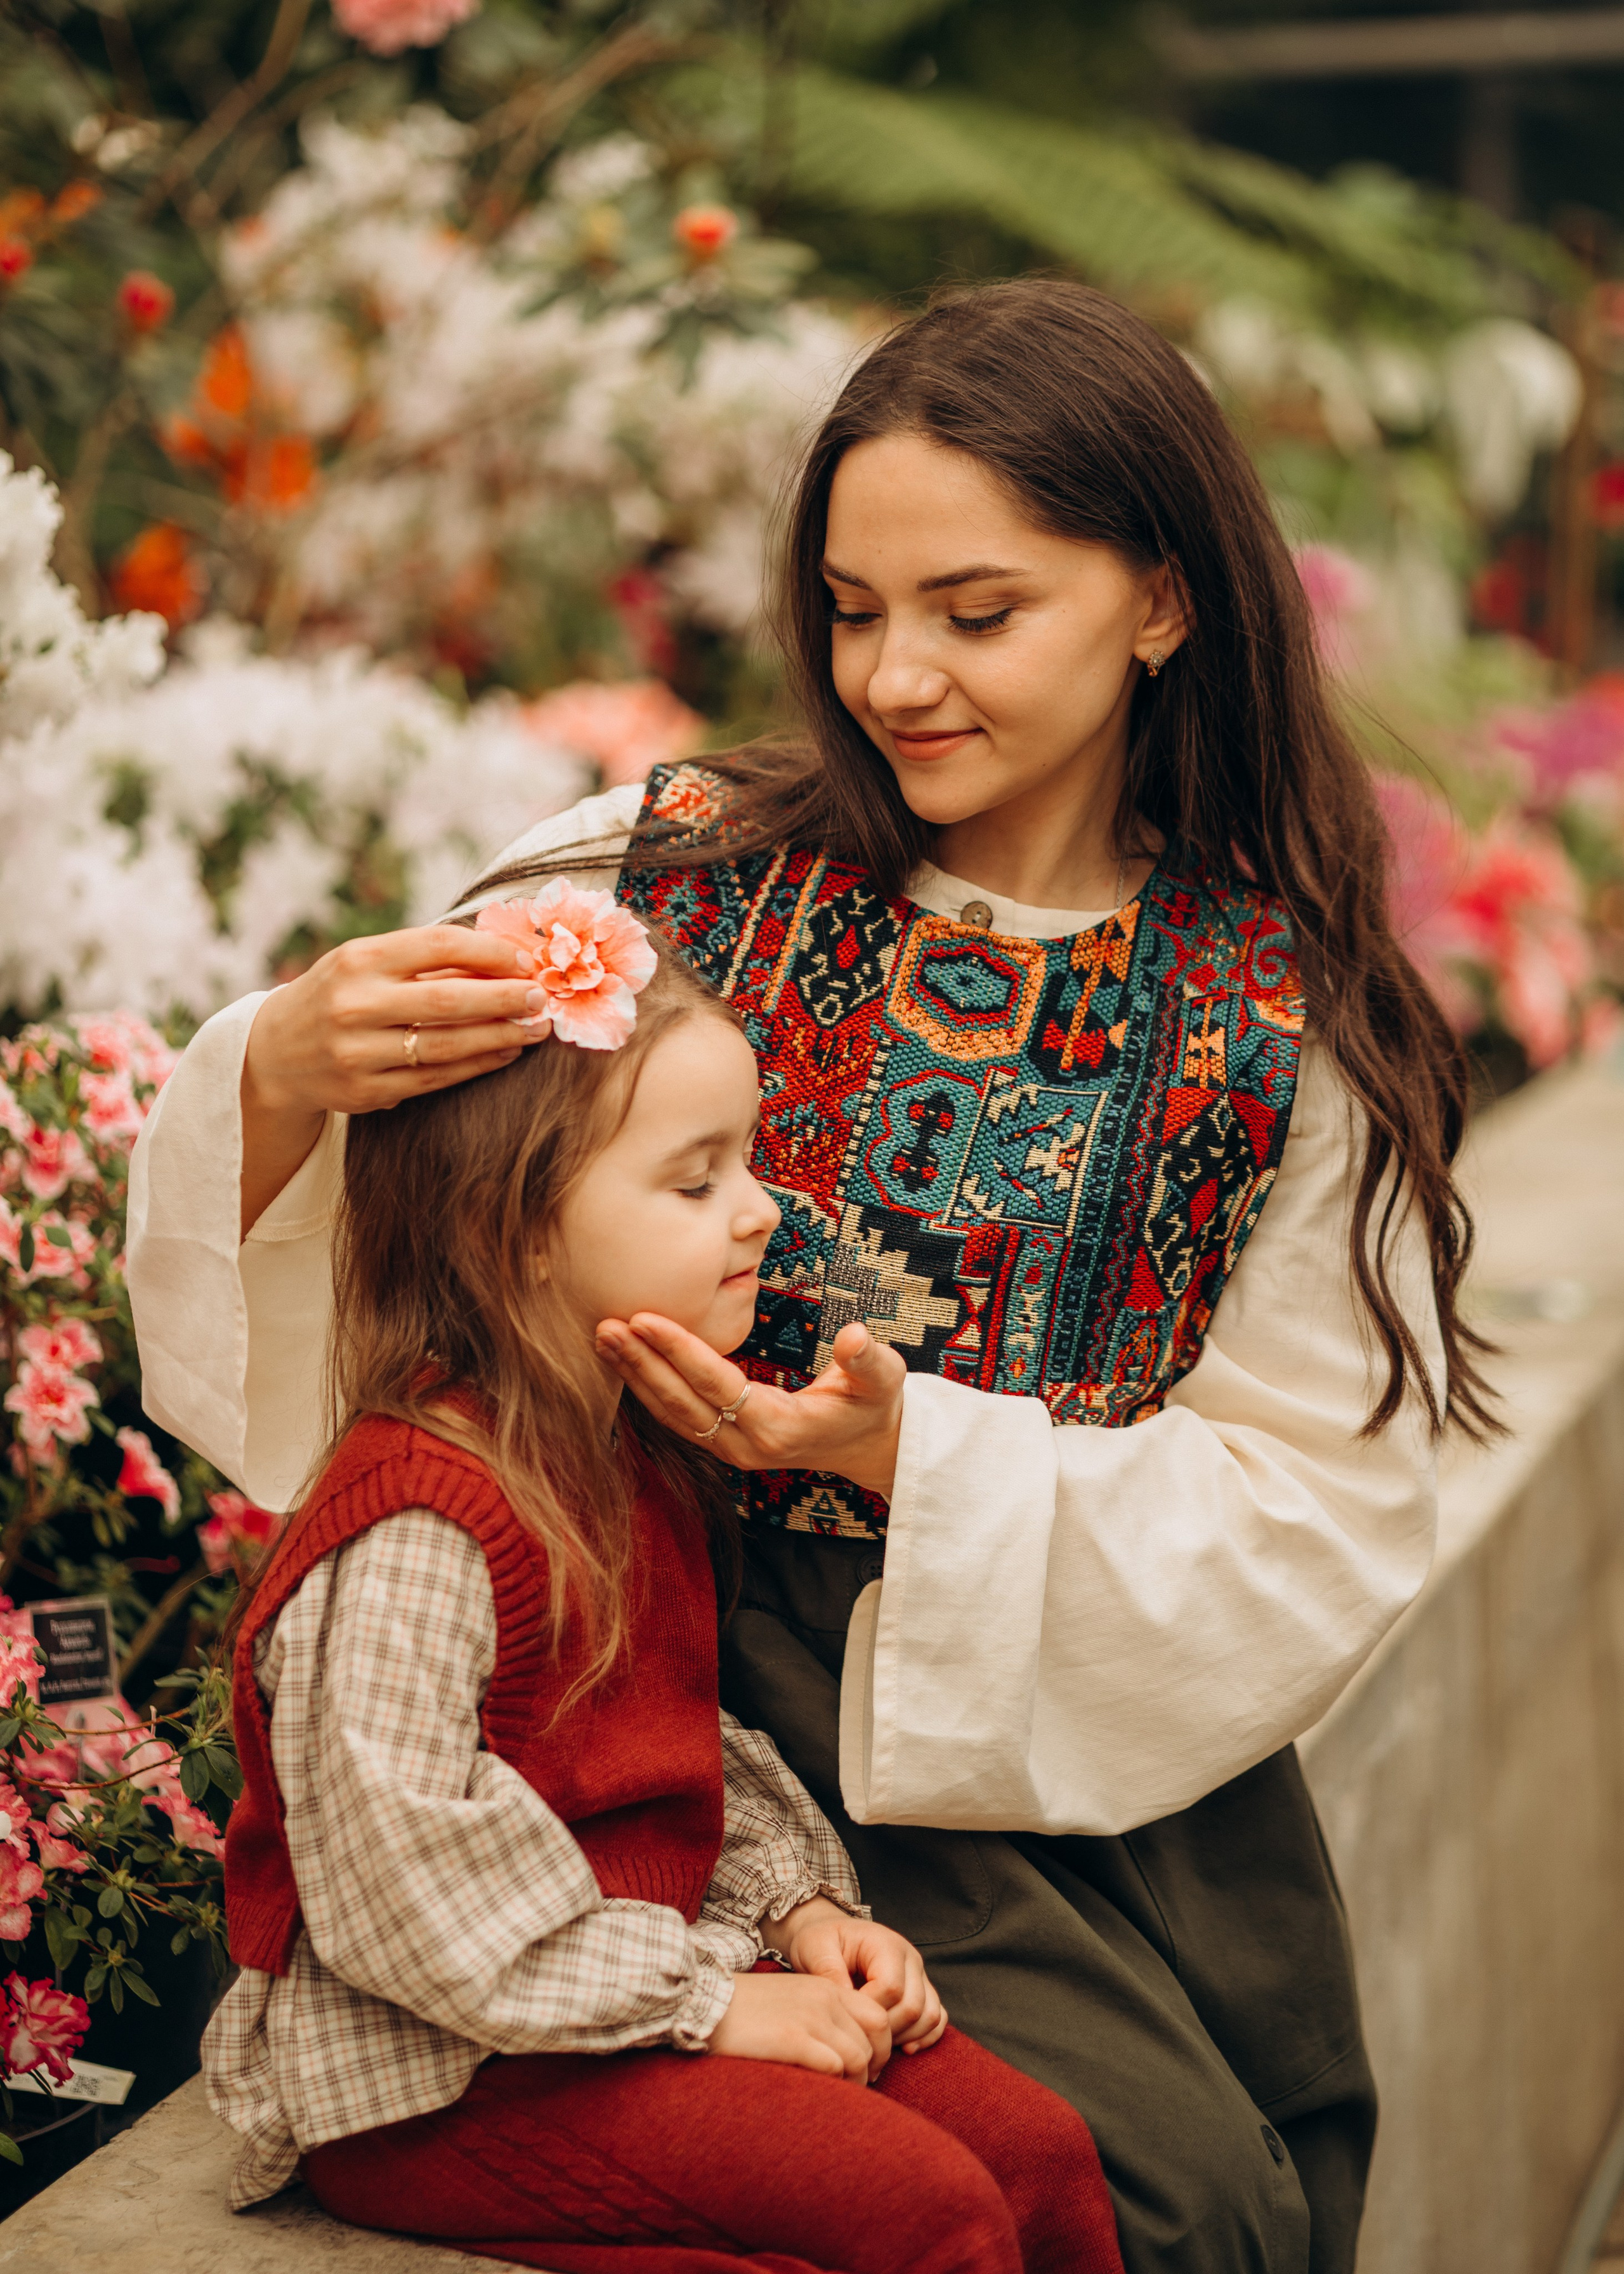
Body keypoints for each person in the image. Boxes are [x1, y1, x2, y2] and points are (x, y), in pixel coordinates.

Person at [130, 280, 1489, 2274]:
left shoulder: (1280, 1019)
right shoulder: (658, 874)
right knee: (1133, 2199)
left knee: (1247, 2191)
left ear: (1166, 602)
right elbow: (428, 1203)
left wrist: (910, 1463)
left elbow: (1320, 1492)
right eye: (854, 608)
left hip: (1058, 1696)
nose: (896, 674)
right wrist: (282, 1066)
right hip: (647, 1669)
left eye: (976, 608)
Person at [207, 891, 1123, 2274]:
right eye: (695, 1182)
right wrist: (714, 2004)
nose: (759, 1210)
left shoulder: (624, 1435)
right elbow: (413, 1905)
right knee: (918, 2216)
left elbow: (670, 1749)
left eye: (743, 1163)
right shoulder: (416, 1522)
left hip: (609, 1991)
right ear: (508, 1230)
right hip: (438, 2069)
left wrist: (798, 1913)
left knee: (1039, 2157)